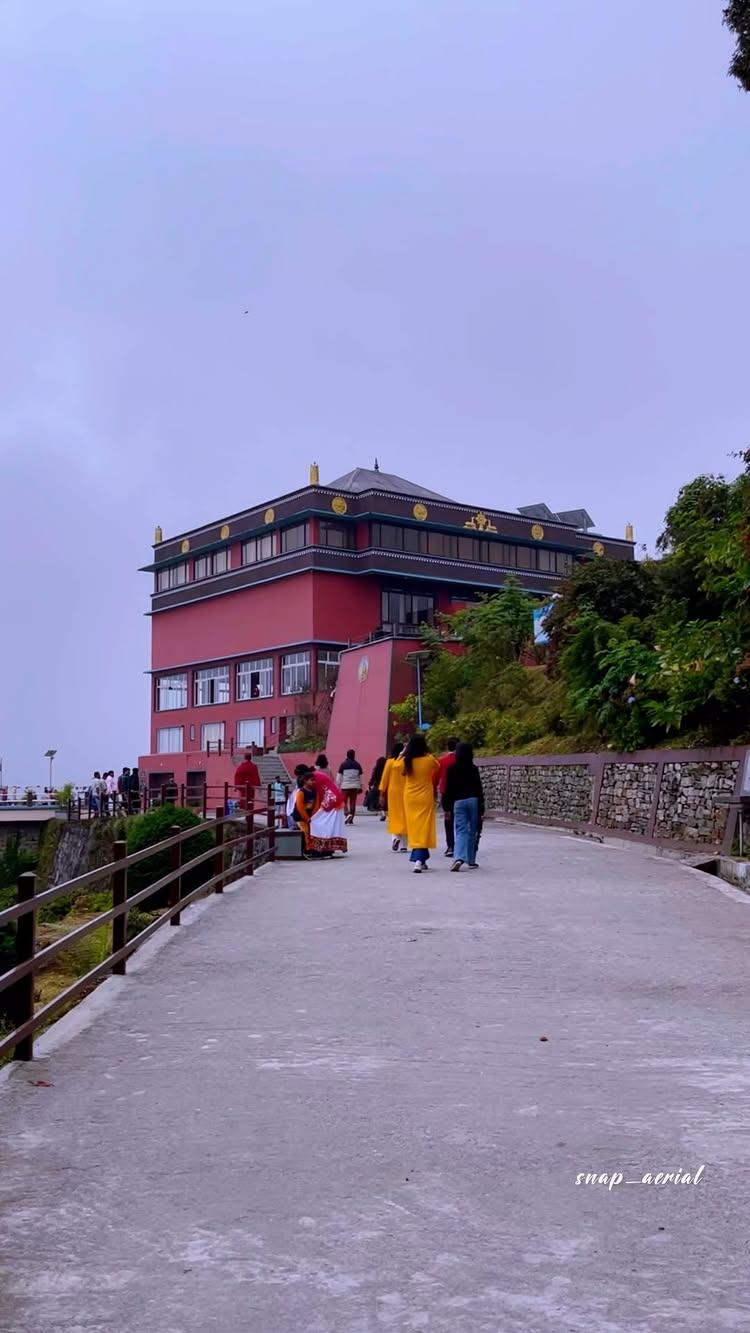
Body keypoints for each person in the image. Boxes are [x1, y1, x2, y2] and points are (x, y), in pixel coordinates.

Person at [400, 734, 440, 872]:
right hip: (425, 797)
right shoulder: (429, 760)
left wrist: (404, 753)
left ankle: (422, 859)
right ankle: (418, 859)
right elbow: (437, 765)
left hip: (410, 797)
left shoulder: (407, 760)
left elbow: (402, 773)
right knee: (424, 826)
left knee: (415, 827)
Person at [443, 742, 485, 871]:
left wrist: (447, 808)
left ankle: (459, 857)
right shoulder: (473, 768)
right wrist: (482, 808)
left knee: (461, 831)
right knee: (473, 830)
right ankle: (471, 860)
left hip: (458, 802)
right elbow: (479, 789)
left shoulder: (451, 769)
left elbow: (448, 790)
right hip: (473, 801)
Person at [379, 743, 408, 851]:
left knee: (394, 816)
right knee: (405, 816)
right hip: (406, 791)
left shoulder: (390, 762)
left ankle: (395, 837)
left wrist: (382, 794)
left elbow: (384, 779)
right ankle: (404, 845)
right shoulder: (407, 762)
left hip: (393, 793)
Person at [438, 738, 459, 857]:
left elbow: (436, 776)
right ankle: (461, 846)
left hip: (446, 793)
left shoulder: (442, 761)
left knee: (448, 819)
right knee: (460, 820)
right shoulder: (462, 760)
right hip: (460, 793)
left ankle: (450, 846)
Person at [337, 749, 363, 825]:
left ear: (347, 755)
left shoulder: (343, 764)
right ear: (354, 755)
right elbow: (361, 776)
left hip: (345, 786)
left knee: (343, 802)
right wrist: (361, 786)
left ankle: (347, 813)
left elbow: (339, 776)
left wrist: (338, 785)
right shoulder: (358, 765)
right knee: (353, 802)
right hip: (354, 787)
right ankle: (351, 819)